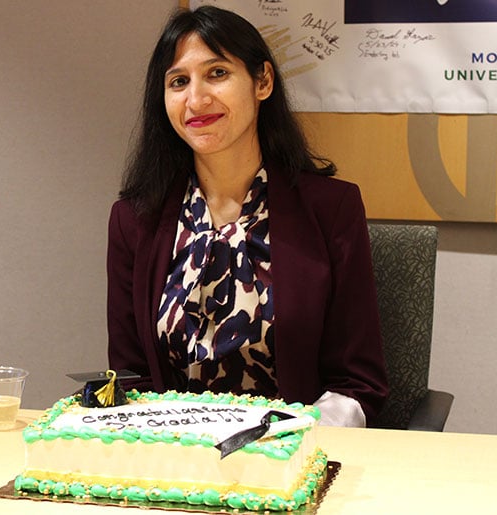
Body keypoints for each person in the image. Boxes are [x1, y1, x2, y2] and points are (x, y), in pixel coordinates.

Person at [106, 6, 388, 427]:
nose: (196, 99)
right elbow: (130, 375)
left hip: (290, 459)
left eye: (217, 73)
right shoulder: (134, 220)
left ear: (263, 82)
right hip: (174, 461)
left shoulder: (332, 209)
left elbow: (357, 381)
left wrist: (294, 440)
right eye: (179, 81)